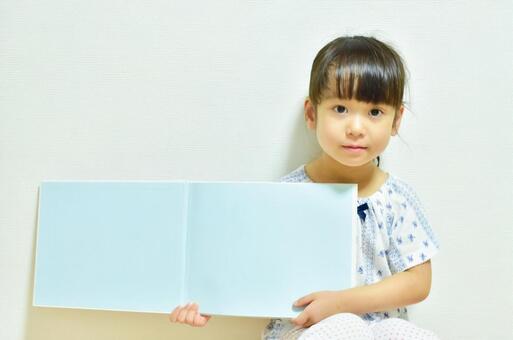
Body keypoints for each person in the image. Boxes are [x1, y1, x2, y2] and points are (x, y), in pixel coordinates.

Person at [169, 35, 440, 339]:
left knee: (408, 333)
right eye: (340, 108)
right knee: (343, 328)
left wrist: (340, 302)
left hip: (376, 327)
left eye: (374, 112)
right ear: (312, 114)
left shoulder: (397, 199)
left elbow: (418, 282)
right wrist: (209, 300)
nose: (355, 127)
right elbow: (251, 263)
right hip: (305, 329)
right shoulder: (288, 196)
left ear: (396, 120)